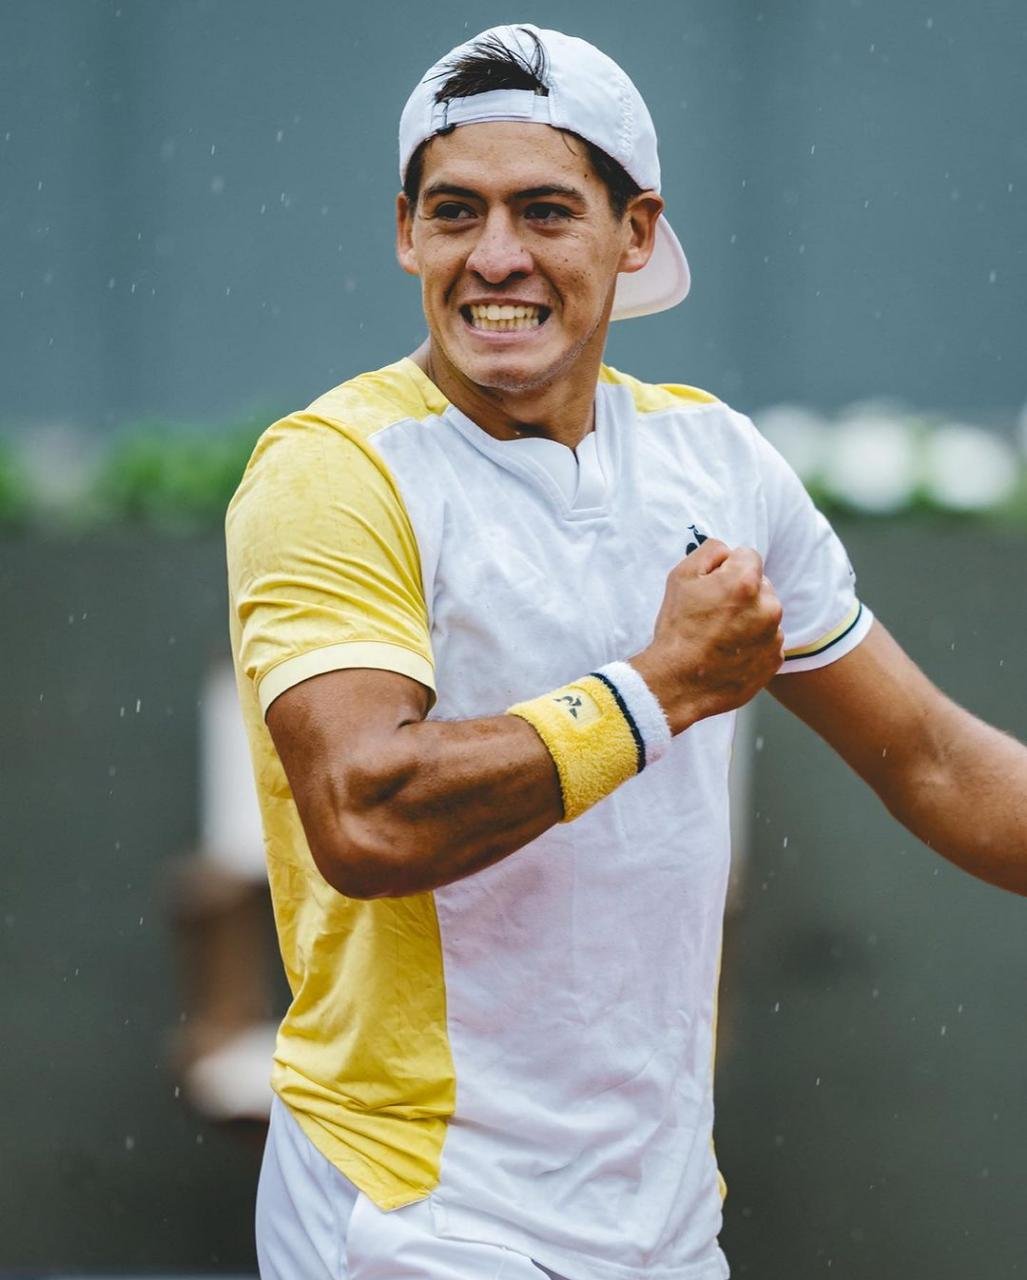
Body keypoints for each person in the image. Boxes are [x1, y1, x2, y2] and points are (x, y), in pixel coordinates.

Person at [225, 24, 1026, 1280]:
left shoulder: (716, 460)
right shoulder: (330, 471)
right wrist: (660, 688)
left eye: (544, 210)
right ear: (405, 232)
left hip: (663, 1224)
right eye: (455, 212)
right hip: (415, 1214)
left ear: (634, 234)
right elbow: (365, 816)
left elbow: (929, 757)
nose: (496, 257)